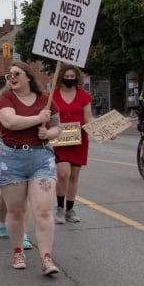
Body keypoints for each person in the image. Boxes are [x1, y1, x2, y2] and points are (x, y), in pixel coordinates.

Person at [0, 61, 62, 275]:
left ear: (29, 77)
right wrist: (38, 119)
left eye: (16, 74)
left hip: (41, 157)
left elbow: (58, 127)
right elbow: (10, 122)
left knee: (42, 210)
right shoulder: (6, 98)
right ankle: (18, 251)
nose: (11, 77)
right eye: (9, 74)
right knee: (16, 211)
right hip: (11, 158)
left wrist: (48, 133)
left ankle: (46, 258)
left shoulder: (46, 100)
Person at [0, 96, 34, 249]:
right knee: (5, 196)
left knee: (24, 195)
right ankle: (2, 223)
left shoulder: (31, 101)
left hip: (28, 152)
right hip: (6, 152)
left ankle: (23, 234)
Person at [53, 65, 93, 224]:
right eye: (67, 76)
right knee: (63, 174)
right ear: (61, 76)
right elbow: (47, 116)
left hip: (79, 139)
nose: (69, 79)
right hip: (60, 139)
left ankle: (70, 209)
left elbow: (88, 117)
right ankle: (60, 208)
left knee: (74, 176)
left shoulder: (83, 95)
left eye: (72, 76)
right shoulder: (53, 96)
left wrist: (104, 131)